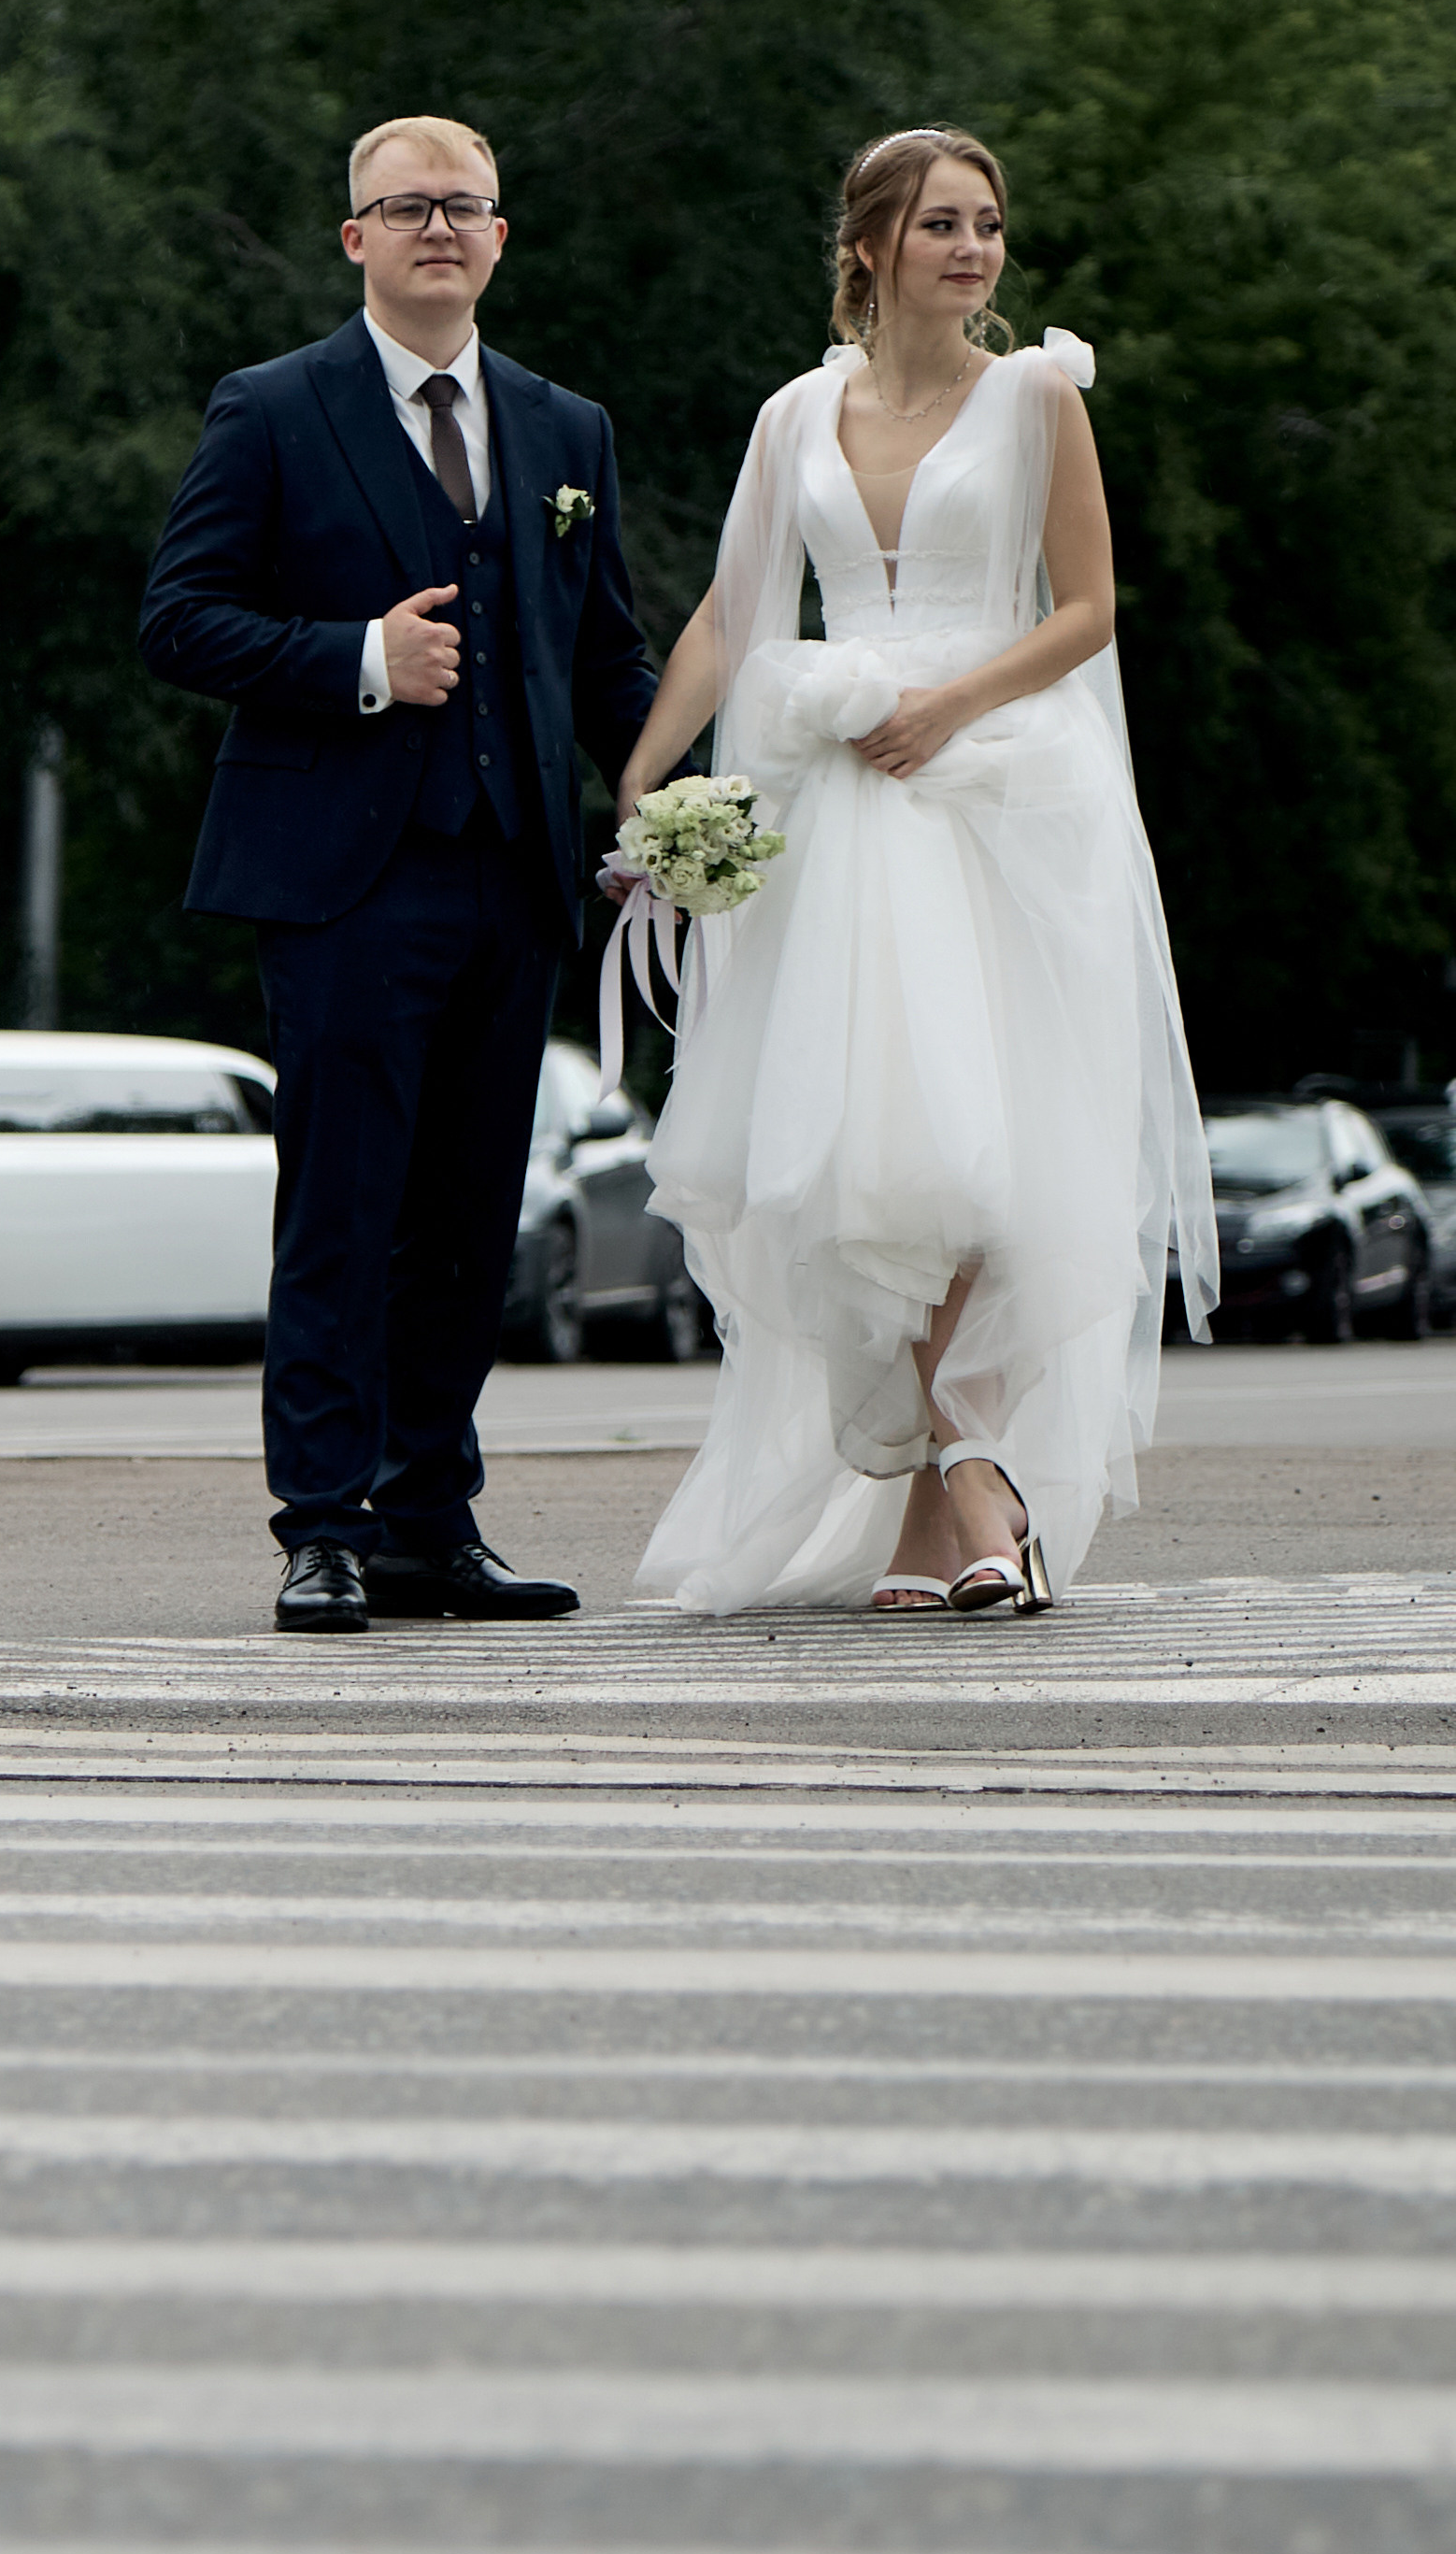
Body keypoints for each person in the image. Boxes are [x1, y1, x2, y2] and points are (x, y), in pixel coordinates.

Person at [614, 125, 1217, 1617]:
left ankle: (963, 1483)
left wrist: (946, 706)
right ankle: (942, 1507)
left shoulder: (1034, 398)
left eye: (988, 224)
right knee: (857, 1166)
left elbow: (1084, 611)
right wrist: (644, 775)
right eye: (942, 223)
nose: (974, 248)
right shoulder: (791, 415)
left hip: (995, 792)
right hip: (833, 805)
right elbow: (730, 613)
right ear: (870, 244)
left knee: (972, 1154)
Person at [140, 115, 659, 1632]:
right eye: (404, 206)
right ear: (353, 238)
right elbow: (180, 620)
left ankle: (433, 1517)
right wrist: (358, 660)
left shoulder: (567, 429)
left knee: (468, 1218)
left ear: (501, 238)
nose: (437, 227)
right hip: (344, 878)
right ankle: (323, 1522)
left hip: (514, 875)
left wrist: (671, 804)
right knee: (345, 1208)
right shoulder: (273, 408)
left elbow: (609, 649)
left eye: (464, 206)